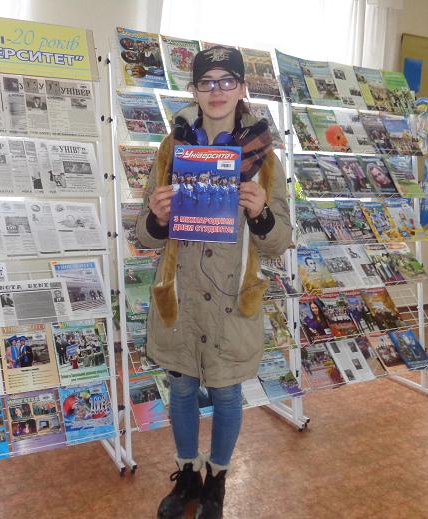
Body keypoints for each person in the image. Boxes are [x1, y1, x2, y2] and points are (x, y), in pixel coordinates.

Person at [136, 46, 292, 519]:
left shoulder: (265, 158)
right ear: (194, 90)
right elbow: (144, 234)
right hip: (181, 299)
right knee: (182, 390)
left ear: (242, 88)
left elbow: (279, 241)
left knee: (226, 394)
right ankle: (187, 475)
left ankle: (217, 481)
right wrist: (157, 216)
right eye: (207, 82)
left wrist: (261, 212)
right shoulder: (173, 148)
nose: (217, 91)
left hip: (230, 300)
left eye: (227, 81)